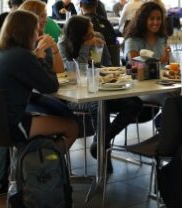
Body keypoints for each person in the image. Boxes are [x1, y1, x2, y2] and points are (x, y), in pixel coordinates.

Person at [0, 10, 78, 151]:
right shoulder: (22, 56)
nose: (38, 35)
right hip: (7, 126)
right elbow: (51, 87)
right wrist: (41, 59)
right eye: (36, 30)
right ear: (28, 32)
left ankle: (33, 162)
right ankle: (44, 169)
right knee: (71, 127)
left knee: (44, 118)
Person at [58, 15, 141, 170]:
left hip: (102, 90)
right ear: (77, 36)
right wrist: (85, 47)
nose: (93, 35)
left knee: (134, 103)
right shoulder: (62, 44)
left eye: (93, 31)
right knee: (100, 105)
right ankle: (104, 160)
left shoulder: (97, 38)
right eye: (88, 34)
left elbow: (107, 65)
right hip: (75, 97)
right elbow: (74, 72)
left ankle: (101, 141)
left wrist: (99, 51)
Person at [20, 0, 64, 75]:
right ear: (30, 18)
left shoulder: (43, 39)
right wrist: (37, 53)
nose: (46, 21)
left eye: (46, 16)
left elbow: (59, 71)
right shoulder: (19, 42)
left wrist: (54, 48)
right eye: (42, 16)